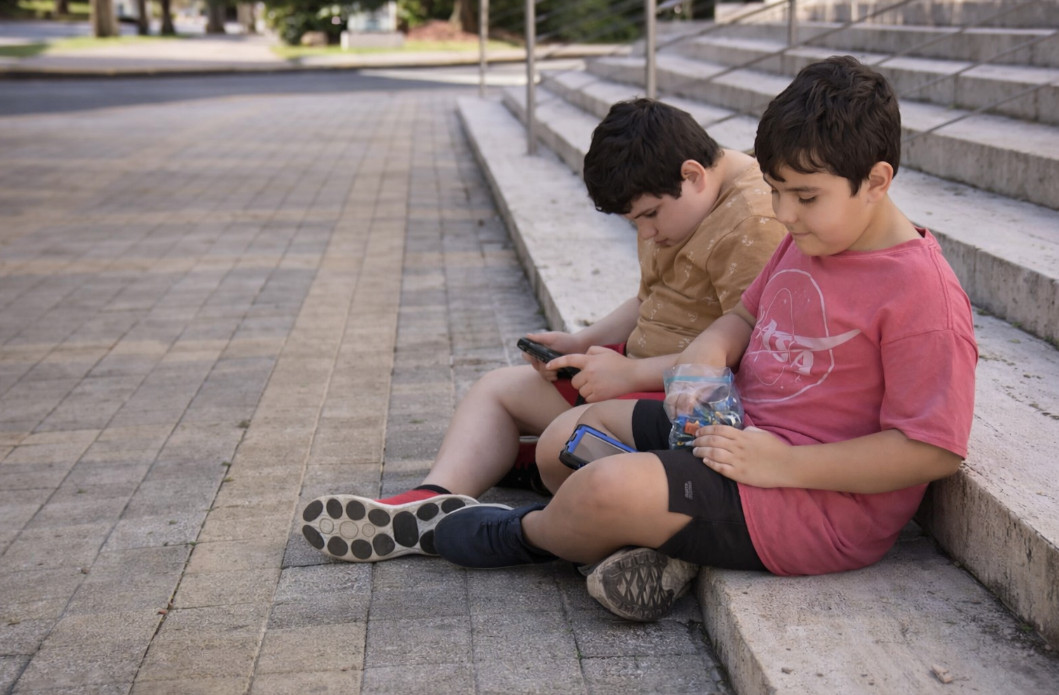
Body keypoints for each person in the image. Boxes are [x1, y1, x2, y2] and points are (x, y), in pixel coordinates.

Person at [430, 55, 979, 622]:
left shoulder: (922, 293)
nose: (784, 213)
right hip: (735, 435)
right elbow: (741, 317)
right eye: (775, 190)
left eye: (805, 196)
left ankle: (532, 535)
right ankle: (657, 542)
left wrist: (783, 466)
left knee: (603, 490)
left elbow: (931, 450)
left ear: (876, 181)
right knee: (567, 440)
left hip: (807, 498)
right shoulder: (809, 239)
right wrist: (707, 354)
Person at [301, 98, 786, 563]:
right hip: (631, 372)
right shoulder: (678, 207)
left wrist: (632, 373)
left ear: (693, 175)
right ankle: (433, 501)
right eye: (634, 221)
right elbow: (648, 299)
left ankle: (542, 482)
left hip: (688, 403)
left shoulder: (752, 219)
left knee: (564, 439)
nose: (646, 234)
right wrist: (582, 342)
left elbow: (749, 349)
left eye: (649, 216)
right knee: (497, 389)